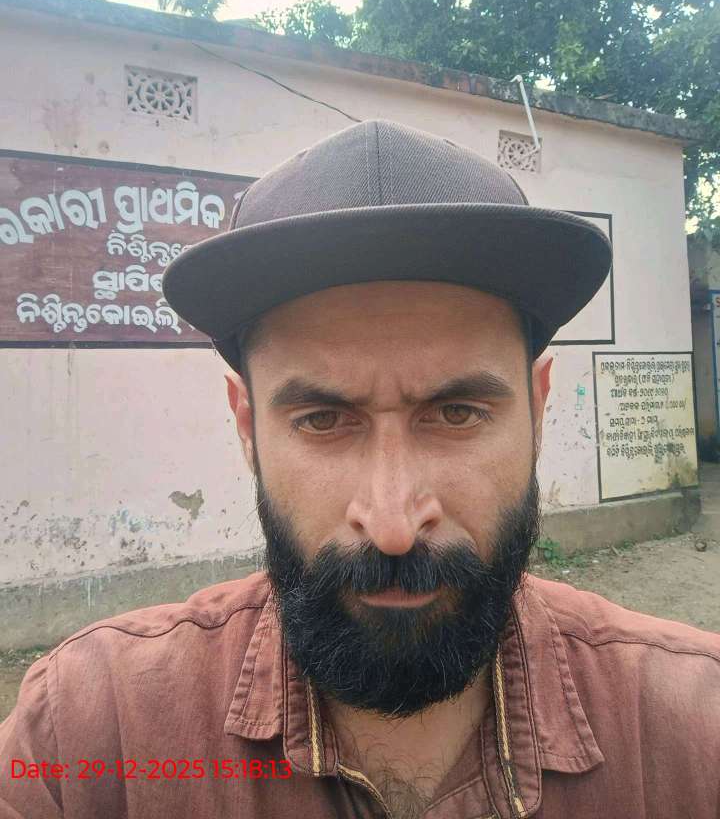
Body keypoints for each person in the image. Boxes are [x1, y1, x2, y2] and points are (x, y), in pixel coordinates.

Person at [1, 119, 718, 819]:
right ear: (247, 426)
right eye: (322, 420)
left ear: (537, 408)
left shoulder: (696, 730)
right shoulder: (89, 733)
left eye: (457, 413)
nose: (393, 524)